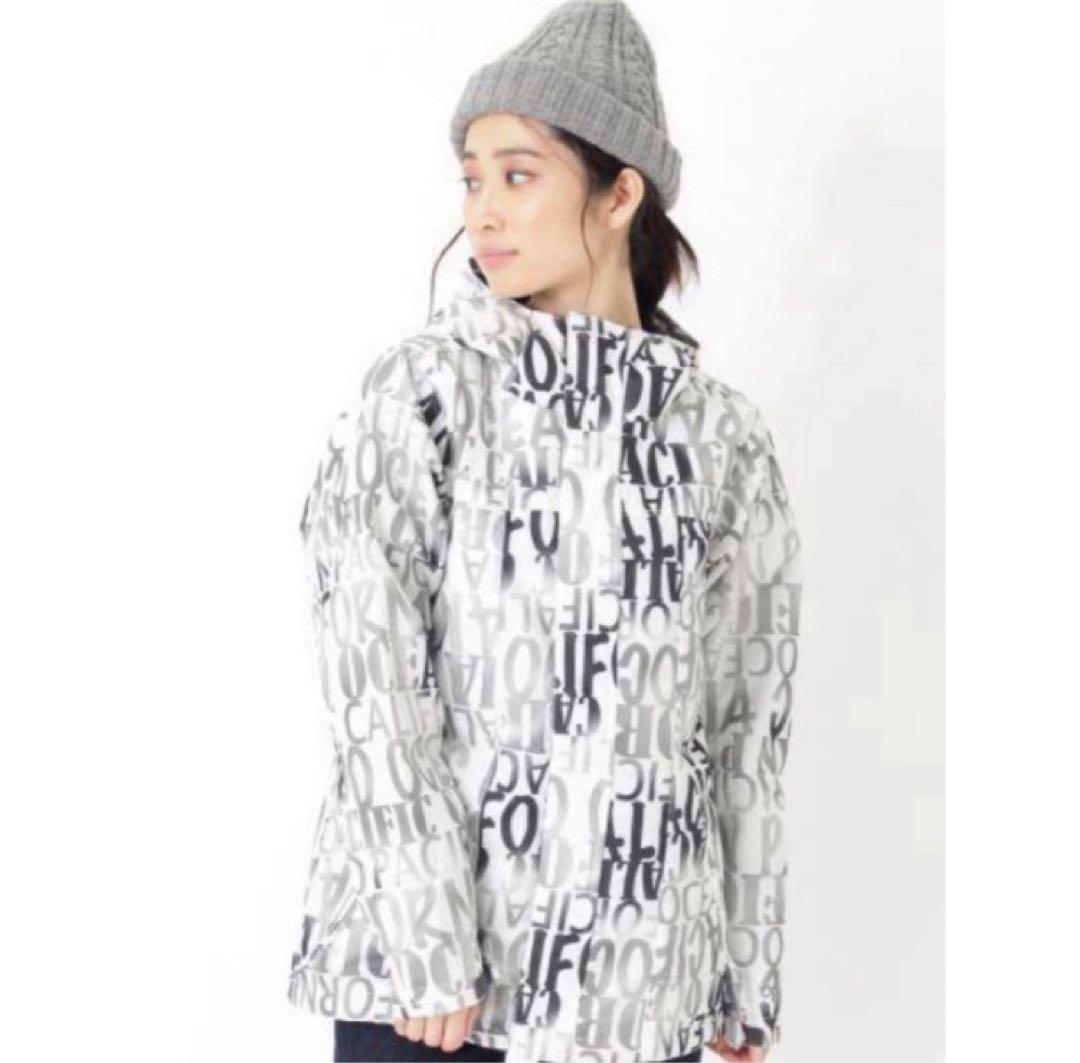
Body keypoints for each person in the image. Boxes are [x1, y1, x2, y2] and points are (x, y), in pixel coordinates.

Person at [285, 2, 802, 1061]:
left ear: (621, 193)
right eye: (472, 179)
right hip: (436, 995)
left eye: (518, 175)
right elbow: (373, 680)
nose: (484, 211)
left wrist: (743, 974)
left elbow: (744, 724)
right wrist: (427, 939)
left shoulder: (723, 439)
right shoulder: (423, 393)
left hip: (639, 992)